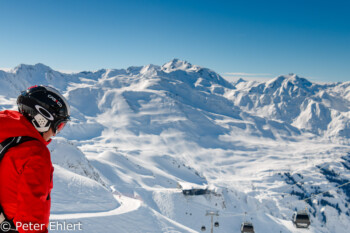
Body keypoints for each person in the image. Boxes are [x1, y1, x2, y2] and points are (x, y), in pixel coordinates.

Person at [0, 85, 70, 233]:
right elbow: (32, 215)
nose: (55, 133)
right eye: (59, 126)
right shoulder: (35, 153)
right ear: (42, 119)